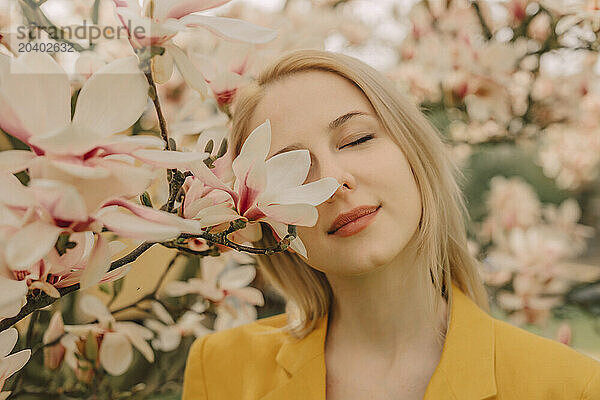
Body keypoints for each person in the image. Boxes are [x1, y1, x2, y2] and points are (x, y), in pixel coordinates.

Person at [182, 49, 600, 400]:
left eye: (357, 139)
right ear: (267, 219)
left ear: (414, 155)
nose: (332, 181)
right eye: (292, 170)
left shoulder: (569, 386)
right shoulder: (219, 370)